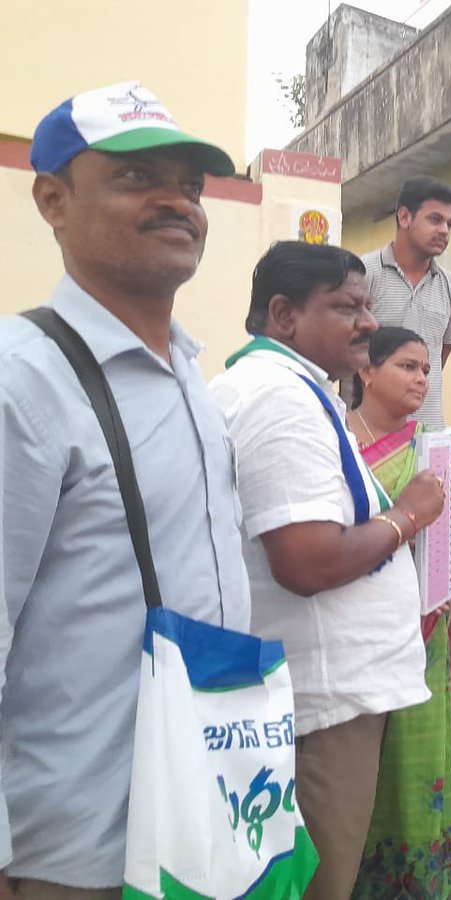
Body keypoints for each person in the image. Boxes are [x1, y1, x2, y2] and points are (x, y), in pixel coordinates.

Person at [0, 82, 248, 898]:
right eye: (139, 178)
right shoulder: (23, 380)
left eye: (191, 183)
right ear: (52, 200)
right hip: (78, 857)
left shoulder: (188, 372)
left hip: (205, 820)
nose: (178, 201)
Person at [210, 241, 448, 900]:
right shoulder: (277, 400)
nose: (368, 323)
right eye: (348, 307)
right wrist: (408, 515)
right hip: (319, 706)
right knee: (318, 883)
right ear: (284, 315)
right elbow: (308, 559)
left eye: (367, 307)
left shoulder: (296, 392)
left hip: (328, 696)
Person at [346, 326, 451, 899]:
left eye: (426, 368)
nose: (422, 379)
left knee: (416, 761)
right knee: (355, 769)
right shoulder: (336, 442)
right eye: (407, 366)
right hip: (356, 626)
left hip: (426, 629)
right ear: (366, 372)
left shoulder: (434, 447)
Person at [364, 176, 451, 428]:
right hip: (369, 433)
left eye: (449, 224)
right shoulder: (364, 274)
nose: (444, 230)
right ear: (404, 217)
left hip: (428, 432)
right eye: (434, 219)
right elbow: (347, 349)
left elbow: (440, 355)